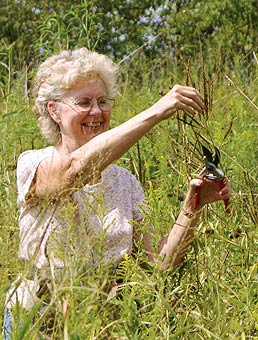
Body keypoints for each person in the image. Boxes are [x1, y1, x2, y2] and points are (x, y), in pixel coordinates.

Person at [3, 47, 231, 339]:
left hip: (102, 325)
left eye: (102, 101)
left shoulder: (125, 182)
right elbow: (73, 171)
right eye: (83, 102)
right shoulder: (33, 164)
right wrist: (156, 112)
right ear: (54, 110)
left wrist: (193, 207)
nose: (96, 112)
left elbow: (159, 267)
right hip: (39, 321)